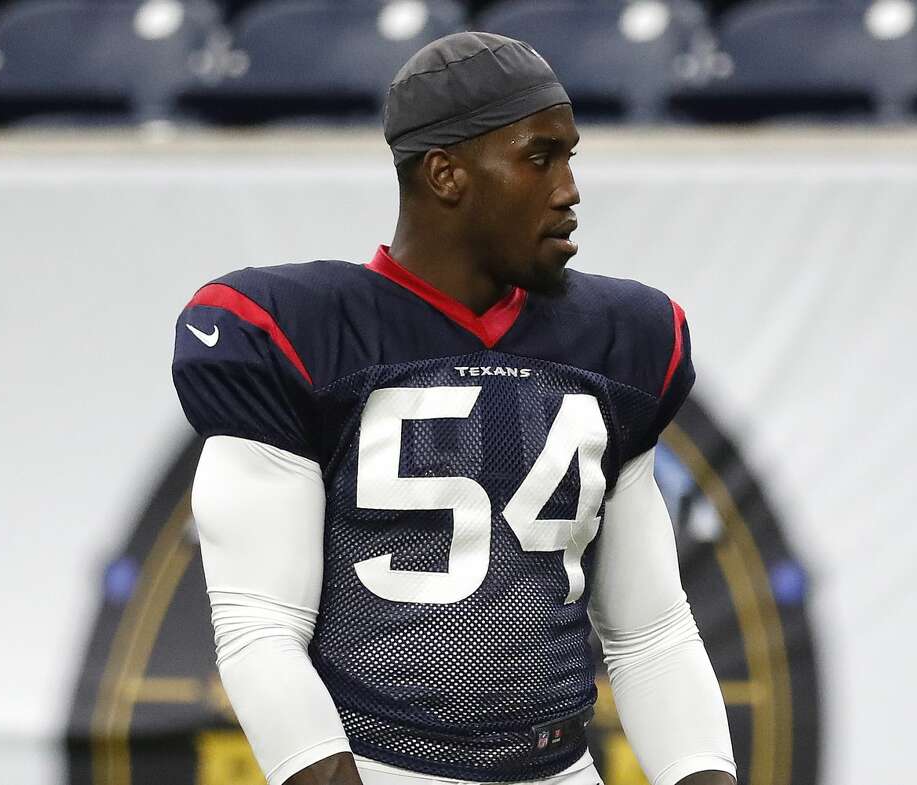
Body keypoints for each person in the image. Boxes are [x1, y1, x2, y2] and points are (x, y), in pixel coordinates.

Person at [172, 31, 736, 785]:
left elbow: (650, 633)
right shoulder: (294, 331)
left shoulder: (620, 340)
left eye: (571, 157)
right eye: (540, 158)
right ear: (446, 174)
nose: (568, 188)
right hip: (377, 764)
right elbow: (258, 628)